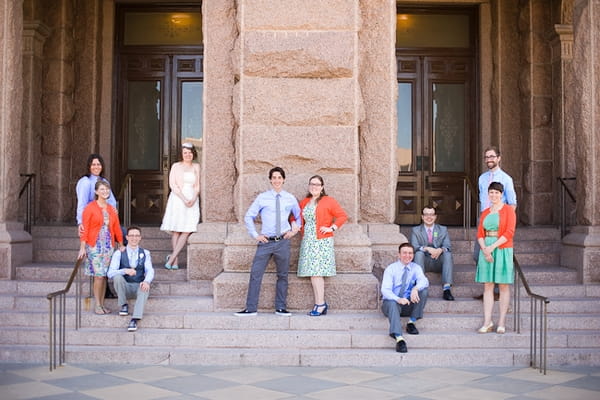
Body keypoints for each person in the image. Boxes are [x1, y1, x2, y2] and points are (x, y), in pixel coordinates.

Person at [235, 167, 301, 316]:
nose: (277, 180)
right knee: (255, 274)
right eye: (274, 177)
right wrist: (255, 235)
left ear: (283, 179)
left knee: (283, 275)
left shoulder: (290, 198)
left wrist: (293, 231)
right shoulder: (262, 197)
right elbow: (248, 216)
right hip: (265, 242)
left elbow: (299, 217)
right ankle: (251, 308)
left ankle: (280, 307)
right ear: (270, 180)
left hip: (283, 241)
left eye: (279, 177)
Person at [297, 175, 348, 316]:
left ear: (322, 187)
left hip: (321, 241)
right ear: (309, 186)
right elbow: (295, 217)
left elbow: (342, 216)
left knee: (316, 273)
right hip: (308, 240)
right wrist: (295, 226)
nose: (314, 186)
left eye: (317, 184)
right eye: (312, 184)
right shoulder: (304, 202)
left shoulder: (328, 201)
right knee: (313, 274)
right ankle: (320, 303)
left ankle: (320, 304)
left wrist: (331, 228)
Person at [474, 146, 517, 300]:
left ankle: (497, 290)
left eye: (492, 156)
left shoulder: (506, 179)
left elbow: (512, 204)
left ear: (499, 158)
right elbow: (483, 200)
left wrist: (506, 222)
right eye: (487, 157)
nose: (489, 160)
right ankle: (489, 287)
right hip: (485, 221)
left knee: (498, 256)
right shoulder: (482, 178)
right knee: (478, 254)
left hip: (500, 224)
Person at [476, 182, 517, 334]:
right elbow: (480, 233)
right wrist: (485, 250)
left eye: (497, 193)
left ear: (502, 194)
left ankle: (501, 322)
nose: (494, 195)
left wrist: (492, 248)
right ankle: (487, 322)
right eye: (491, 192)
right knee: (488, 285)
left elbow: (509, 232)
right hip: (486, 248)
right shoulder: (485, 212)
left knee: (503, 285)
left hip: (502, 249)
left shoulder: (508, 210)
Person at [78, 180, 124, 315]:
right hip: (95, 245)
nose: (105, 192)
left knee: (104, 276)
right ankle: (97, 304)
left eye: (107, 190)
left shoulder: (111, 209)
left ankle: (102, 303)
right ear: (96, 192)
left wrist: (120, 244)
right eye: (102, 190)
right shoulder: (90, 208)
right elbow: (85, 229)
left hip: (108, 245)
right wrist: (82, 246)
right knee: (98, 275)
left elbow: (116, 228)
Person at [381, 243, 429, 353]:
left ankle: (411, 322)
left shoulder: (416, 268)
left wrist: (415, 289)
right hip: (392, 305)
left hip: (407, 304)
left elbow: (424, 281)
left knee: (424, 291)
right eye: (405, 253)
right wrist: (398, 299)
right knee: (392, 303)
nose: (408, 256)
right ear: (399, 255)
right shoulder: (391, 269)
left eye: (410, 253)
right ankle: (399, 338)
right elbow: (385, 290)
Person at [160, 142, 200, 270]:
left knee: (187, 229)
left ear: (193, 154)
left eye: (189, 152)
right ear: (181, 154)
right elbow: (173, 185)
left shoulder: (196, 167)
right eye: (185, 153)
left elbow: (197, 185)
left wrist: (193, 198)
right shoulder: (176, 166)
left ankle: (171, 257)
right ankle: (175, 260)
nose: (187, 155)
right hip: (178, 199)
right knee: (177, 230)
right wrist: (183, 198)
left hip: (192, 199)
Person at [107, 226, 154, 332]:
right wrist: (124, 271)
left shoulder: (145, 253)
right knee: (117, 277)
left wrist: (146, 281)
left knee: (145, 286)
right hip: (125, 288)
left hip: (138, 286)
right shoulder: (119, 253)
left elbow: (150, 270)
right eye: (131, 235)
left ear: (140, 238)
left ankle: (134, 319)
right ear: (127, 237)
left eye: (137, 235)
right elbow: (110, 273)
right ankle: (123, 305)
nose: (134, 238)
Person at [411, 206, 455, 301]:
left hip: (438, 261)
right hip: (423, 262)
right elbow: (414, 247)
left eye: (431, 214)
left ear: (435, 217)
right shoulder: (416, 230)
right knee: (418, 254)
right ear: (422, 217)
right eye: (426, 214)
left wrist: (440, 250)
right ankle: (419, 286)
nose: (429, 217)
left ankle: (447, 289)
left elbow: (448, 246)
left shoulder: (443, 229)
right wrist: (427, 248)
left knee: (447, 254)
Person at [75, 154, 117, 236]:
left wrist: (113, 212)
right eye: (93, 165)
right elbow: (82, 203)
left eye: (98, 164)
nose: (96, 167)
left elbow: (112, 201)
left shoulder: (104, 181)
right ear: (89, 166)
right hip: (92, 220)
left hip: (106, 220)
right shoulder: (85, 182)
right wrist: (80, 222)